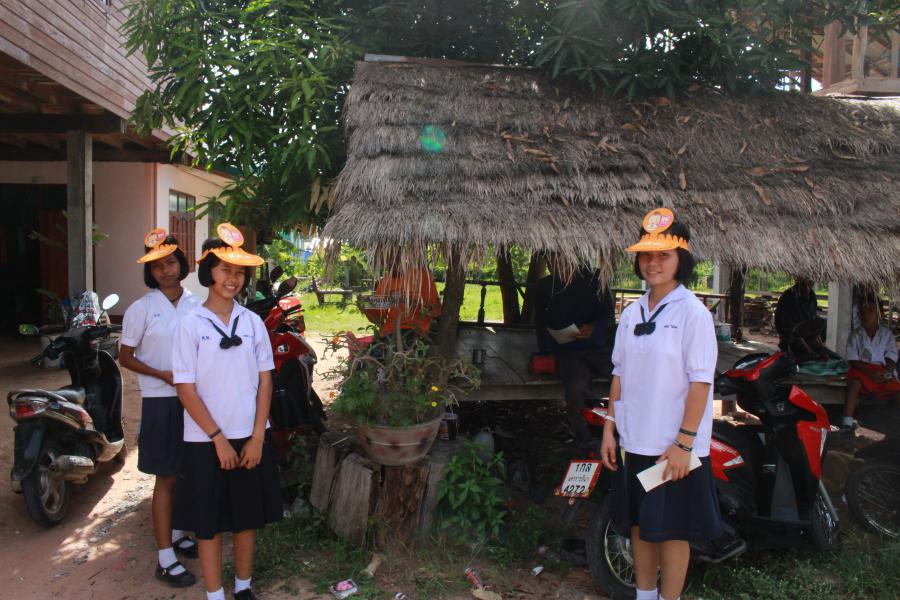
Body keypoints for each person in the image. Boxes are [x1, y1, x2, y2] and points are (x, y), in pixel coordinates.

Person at [601, 208, 722, 600]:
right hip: (635, 441)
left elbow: (701, 382)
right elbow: (619, 374)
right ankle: (644, 595)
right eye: (646, 255)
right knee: (639, 526)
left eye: (663, 255)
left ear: (680, 260)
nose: (653, 263)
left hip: (673, 449)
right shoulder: (631, 313)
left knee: (672, 531)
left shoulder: (693, 314)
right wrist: (609, 427)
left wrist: (683, 444)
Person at [172, 223, 282, 600]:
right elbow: (185, 388)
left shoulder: (252, 323)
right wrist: (217, 439)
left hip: (249, 436)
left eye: (239, 272)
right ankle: (215, 594)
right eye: (224, 270)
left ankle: (244, 588)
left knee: (245, 519)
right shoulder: (190, 325)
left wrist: (257, 437)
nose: (232, 279)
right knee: (208, 524)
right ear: (209, 272)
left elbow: (265, 382)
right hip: (204, 441)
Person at [119, 228, 201, 588]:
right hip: (160, 401)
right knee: (166, 476)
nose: (165, 270)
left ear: (181, 263)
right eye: (157, 266)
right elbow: (125, 357)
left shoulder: (197, 304)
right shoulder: (142, 309)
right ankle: (165, 558)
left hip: (194, 400)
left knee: (186, 470)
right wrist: (162, 375)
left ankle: (180, 532)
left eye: (170, 262)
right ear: (149, 272)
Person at [533, 257, 614, 447]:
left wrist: (594, 327)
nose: (557, 266)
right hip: (566, 350)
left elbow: (608, 314)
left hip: (598, 347)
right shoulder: (544, 287)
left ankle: (625, 429)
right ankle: (587, 440)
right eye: (553, 262)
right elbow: (540, 323)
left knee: (626, 375)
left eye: (562, 261)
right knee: (576, 388)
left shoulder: (595, 280)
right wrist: (545, 351)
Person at [841, 295, 900, 433]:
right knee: (854, 384)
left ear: (879, 313)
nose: (865, 315)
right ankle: (847, 422)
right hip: (862, 370)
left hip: (882, 370)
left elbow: (892, 356)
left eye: (870, 311)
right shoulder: (855, 335)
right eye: (862, 312)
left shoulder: (886, 334)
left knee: (897, 391)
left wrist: (887, 372)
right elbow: (853, 360)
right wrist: (871, 374)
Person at [364, 262, 441, 340]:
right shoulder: (384, 282)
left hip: (415, 331)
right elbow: (379, 319)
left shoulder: (422, 275)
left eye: (393, 258)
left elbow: (436, 311)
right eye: (386, 261)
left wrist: (417, 304)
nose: (389, 263)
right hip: (389, 331)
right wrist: (366, 308)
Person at [774, 276, 828, 362]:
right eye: (803, 283)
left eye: (809, 283)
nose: (806, 287)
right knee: (810, 355)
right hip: (791, 340)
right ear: (798, 282)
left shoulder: (812, 296)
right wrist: (811, 352)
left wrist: (816, 333)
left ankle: (813, 353)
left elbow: (812, 317)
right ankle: (809, 355)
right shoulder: (787, 297)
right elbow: (785, 329)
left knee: (824, 325)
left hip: (807, 337)